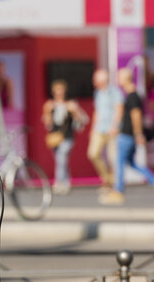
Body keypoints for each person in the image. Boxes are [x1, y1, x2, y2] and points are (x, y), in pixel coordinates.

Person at [100, 67, 154, 205]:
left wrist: (137, 133)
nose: (117, 80)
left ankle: (118, 192)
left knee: (119, 163)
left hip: (127, 135)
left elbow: (136, 116)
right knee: (132, 162)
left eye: (119, 77)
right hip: (128, 134)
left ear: (126, 79)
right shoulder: (131, 95)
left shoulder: (133, 96)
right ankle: (152, 180)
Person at [42, 79, 88, 195]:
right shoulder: (50, 105)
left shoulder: (71, 104)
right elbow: (48, 124)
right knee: (61, 161)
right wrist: (46, 112)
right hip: (55, 137)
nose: (59, 93)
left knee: (61, 158)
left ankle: (59, 183)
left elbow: (83, 121)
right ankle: (66, 182)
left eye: (61, 90)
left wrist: (75, 112)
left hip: (67, 137)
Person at [87, 69, 123, 193]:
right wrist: (92, 128)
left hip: (111, 129)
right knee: (93, 153)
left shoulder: (114, 92)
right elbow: (96, 112)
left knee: (112, 157)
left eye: (95, 80)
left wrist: (115, 126)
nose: (94, 82)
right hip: (99, 128)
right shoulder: (97, 93)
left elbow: (119, 109)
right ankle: (107, 179)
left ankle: (112, 184)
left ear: (102, 80)